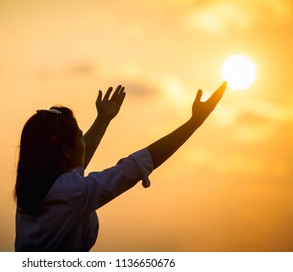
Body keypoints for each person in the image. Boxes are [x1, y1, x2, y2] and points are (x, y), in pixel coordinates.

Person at [14, 82, 227, 251]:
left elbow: (74, 167)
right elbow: (138, 164)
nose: (83, 143)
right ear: (66, 151)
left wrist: (103, 119)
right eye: (80, 137)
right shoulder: (71, 193)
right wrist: (194, 123)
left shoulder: (35, 191)